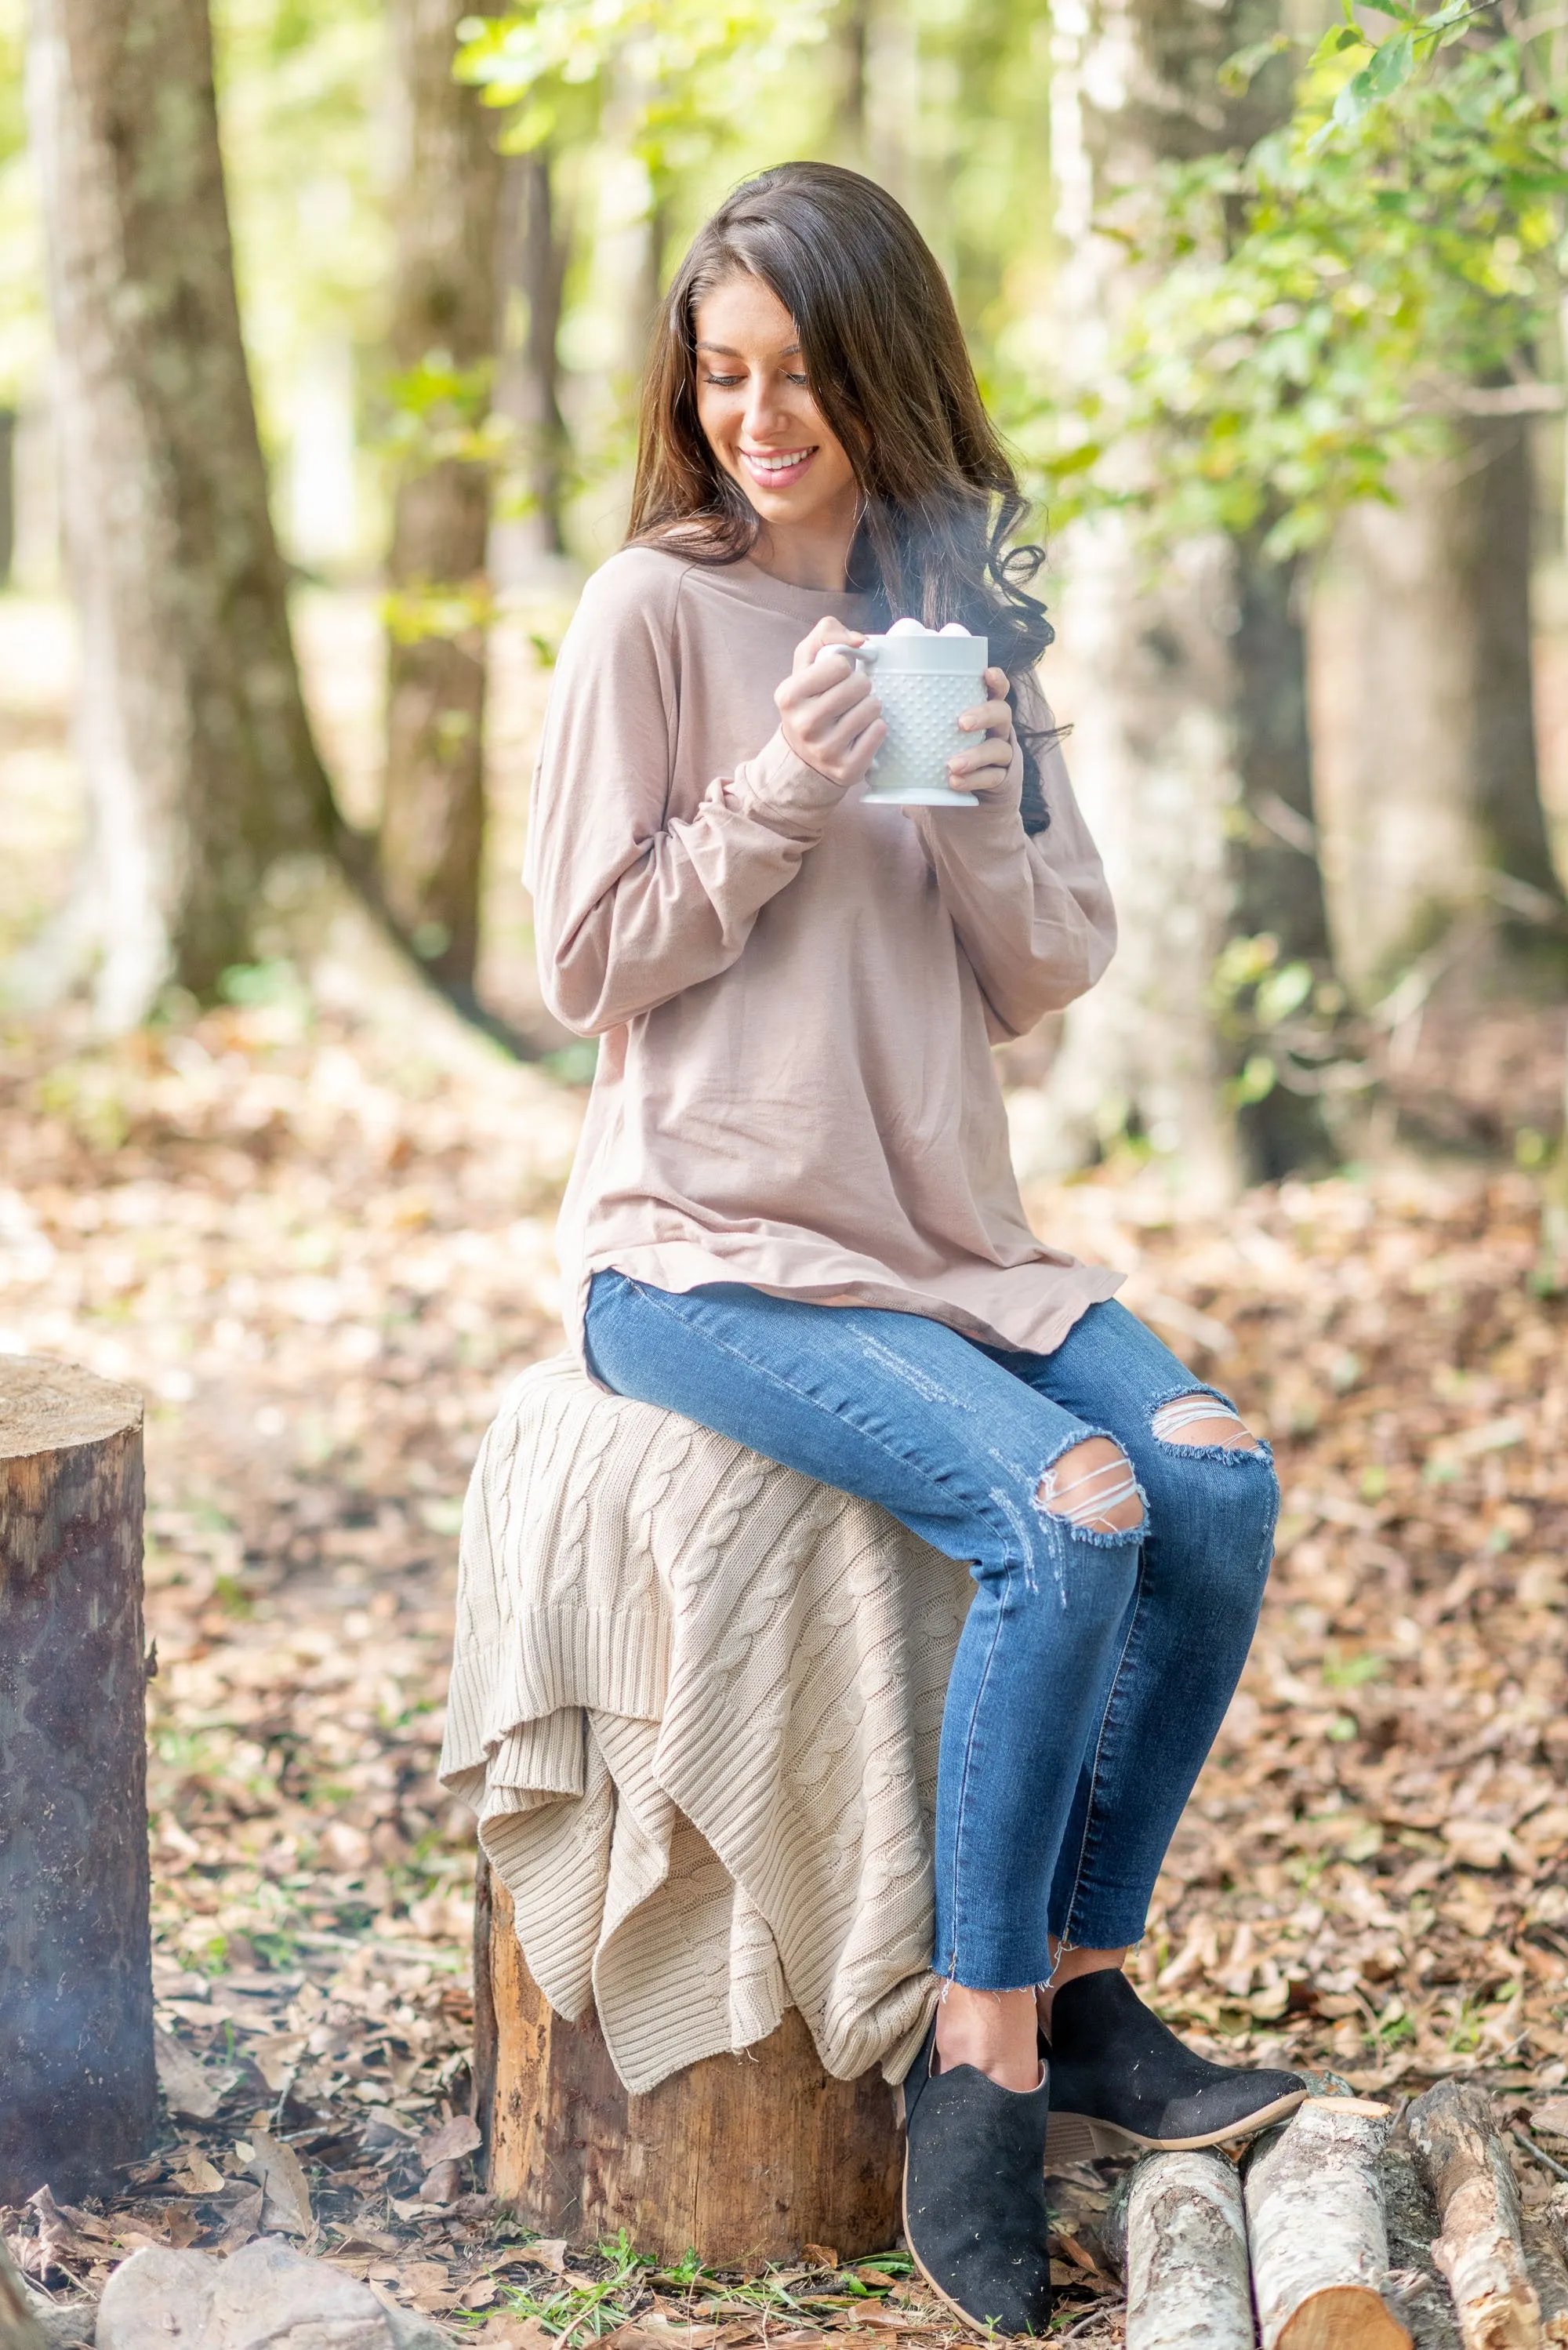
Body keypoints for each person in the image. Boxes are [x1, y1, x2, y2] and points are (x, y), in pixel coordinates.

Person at [526, 161, 1302, 2336]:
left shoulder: (965, 618)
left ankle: (1082, 1975)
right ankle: (981, 2059)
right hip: (701, 1253)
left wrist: (970, 800)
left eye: (802, 375)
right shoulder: (652, 614)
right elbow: (586, 959)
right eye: (726, 372)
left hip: (949, 1241)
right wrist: (777, 791)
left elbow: (1056, 962)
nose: (761, 416)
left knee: (1212, 1482)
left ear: (886, 373)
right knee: (1069, 1518)